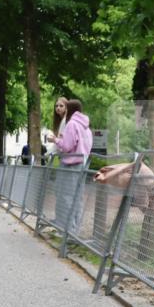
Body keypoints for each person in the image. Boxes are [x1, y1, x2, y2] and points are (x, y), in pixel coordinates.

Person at [53, 99, 92, 233]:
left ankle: (66, 230)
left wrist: (56, 140)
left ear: (70, 110)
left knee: (66, 197)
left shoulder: (71, 124)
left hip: (70, 165)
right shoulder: (86, 126)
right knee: (78, 197)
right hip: (83, 164)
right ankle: (75, 229)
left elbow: (66, 146)